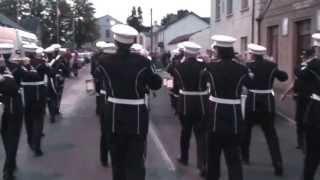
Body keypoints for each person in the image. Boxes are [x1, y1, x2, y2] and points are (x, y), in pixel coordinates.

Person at [96, 24, 162, 180]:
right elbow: (156, 84)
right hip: (136, 115)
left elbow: (100, 79)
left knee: (117, 159)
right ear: (132, 42)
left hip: (113, 112)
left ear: (115, 41)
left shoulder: (104, 61)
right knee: (135, 159)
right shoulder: (143, 62)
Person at [201, 35, 251, 180]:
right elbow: (251, 84)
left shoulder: (210, 67)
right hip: (234, 115)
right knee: (233, 158)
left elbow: (202, 81)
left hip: (215, 114)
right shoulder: (242, 69)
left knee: (213, 157)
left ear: (218, 50)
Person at [241, 44, 288, 176]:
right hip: (267, 102)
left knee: (246, 131)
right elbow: (284, 77)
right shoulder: (271, 66)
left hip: (252, 102)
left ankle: (245, 157)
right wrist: (274, 68)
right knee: (271, 135)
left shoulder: (248, 66)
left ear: (253, 54)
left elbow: (245, 83)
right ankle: (277, 163)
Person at [171, 41, 208, 177]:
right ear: (197, 53)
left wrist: (180, 56)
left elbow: (169, 75)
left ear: (185, 52)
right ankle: (202, 164)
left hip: (185, 102)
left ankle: (184, 157)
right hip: (201, 103)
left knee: (185, 132)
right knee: (201, 135)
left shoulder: (178, 66)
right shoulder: (204, 66)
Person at [297, 33, 320, 180]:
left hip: (317, 112)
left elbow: (299, 73)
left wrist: (310, 60)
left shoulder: (314, 65)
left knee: (313, 154)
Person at [281, 48, 315, 150]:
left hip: (311, 98)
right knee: (299, 120)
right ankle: (300, 142)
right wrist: (285, 93)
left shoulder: (314, 67)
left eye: (305, 56)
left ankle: (309, 142)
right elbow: (294, 82)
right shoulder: (299, 67)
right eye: (303, 56)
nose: (303, 57)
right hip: (300, 97)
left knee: (309, 120)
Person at [21, 44, 50, 156]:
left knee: (28, 120)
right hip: (38, 94)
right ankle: (37, 147)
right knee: (38, 121)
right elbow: (51, 73)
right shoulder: (41, 63)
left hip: (26, 95)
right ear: (34, 52)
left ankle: (30, 142)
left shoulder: (20, 65)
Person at [0, 43, 23, 180]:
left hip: (6, 107)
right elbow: (15, 87)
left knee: (7, 138)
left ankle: (11, 164)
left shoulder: (14, 67)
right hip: (13, 107)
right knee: (12, 139)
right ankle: (8, 169)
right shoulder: (16, 68)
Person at [93, 42, 117, 167]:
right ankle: (113, 157)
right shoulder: (117, 64)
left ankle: (103, 158)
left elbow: (95, 77)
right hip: (114, 99)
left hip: (104, 98)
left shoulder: (100, 64)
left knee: (105, 130)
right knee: (114, 130)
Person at [91, 41, 109, 115]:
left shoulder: (94, 56)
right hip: (106, 78)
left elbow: (92, 69)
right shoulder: (108, 56)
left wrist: (94, 77)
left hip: (98, 77)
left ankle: (99, 109)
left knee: (98, 93)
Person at [44, 46, 59, 123]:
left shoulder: (44, 61)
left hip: (46, 82)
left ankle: (51, 114)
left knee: (49, 99)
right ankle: (53, 114)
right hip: (52, 81)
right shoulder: (55, 61)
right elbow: (54, 72)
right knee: (53, 97)